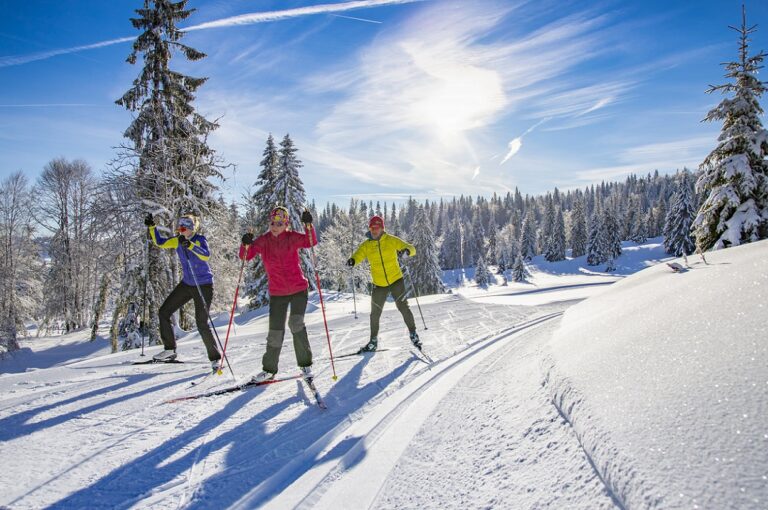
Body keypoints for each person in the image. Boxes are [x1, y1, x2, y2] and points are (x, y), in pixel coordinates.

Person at [240, 206, 318, 383]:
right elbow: (246, 256)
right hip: (277, 292)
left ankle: (305, 364)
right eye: (273, 223)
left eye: (280, 223)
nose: (276, 226)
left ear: (286, 224)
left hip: (298, 289)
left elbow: (310, 241)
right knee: (275, 331)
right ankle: (269, 370)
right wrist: (245, 243)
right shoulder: (264, 241)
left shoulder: (291, 238)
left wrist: (308, 225)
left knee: (295, 323)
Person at [145, 213, 222, 371]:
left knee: (201, 323)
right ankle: (169, 350)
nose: (180, 230)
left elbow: (206, 255)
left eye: (184, 227)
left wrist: (190, 245)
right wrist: (152, 227)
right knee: (164, 312)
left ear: (191, 228)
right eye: (179, 227)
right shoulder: (177, 240)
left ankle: (215, 358)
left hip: (204, 285)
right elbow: (160, 243)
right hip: (187, 283)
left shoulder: (199, 239)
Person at [347, 215, 421, 352]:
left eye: (377, 227)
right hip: (379, 284)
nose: (374, 230)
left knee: (403, 307)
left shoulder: (391, 240)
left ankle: (413, 334)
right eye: (372, 228)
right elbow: (358, 255)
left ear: (382, 228)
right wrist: (353, 260)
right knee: (375, 313)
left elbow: (411, 248)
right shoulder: (367, 245)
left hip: (396, 280)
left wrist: (407, 251)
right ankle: (373, 342)